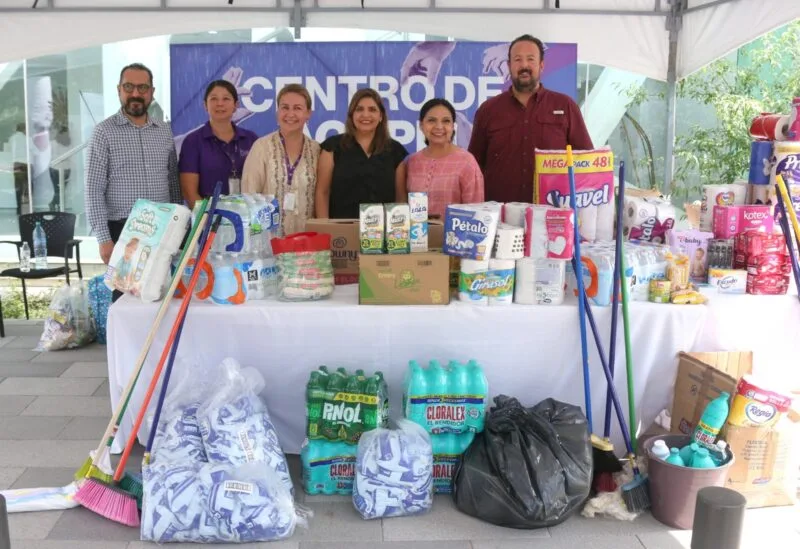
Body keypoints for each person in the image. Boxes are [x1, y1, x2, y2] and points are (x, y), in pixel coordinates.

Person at [85, 62, 181, 301]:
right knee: (126, 299)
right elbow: (93, 190)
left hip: (163, 229)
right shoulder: (103, 132)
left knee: (161, 295)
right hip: (124, 232)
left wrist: (180, 224)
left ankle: (157, 340)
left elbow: (173, 182)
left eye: (142, 87)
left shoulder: (164, 131)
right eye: (129, 87)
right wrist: (104, 240)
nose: (136, 94)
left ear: (152, 92)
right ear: (119, 90)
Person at [468, 34, 594, 204]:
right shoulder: (488, 110)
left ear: (541, 65)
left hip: (552, 213)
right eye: (518, 59)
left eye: (530, 59)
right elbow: (473, 166)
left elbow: (585, 160)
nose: (524, 65)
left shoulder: (565, 106)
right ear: (509, 65)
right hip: (499, 215)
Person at [315, 88, 408, 219]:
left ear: (381, 116)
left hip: (383, 234)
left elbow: (400, 199)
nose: (365, 115)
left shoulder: (395, 150)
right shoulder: (332, 147)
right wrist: (325, 230)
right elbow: (322, 192)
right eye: (359, 109)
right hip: (341, 232)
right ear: (351, 115)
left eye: (372, 109)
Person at [242, 84, 320, 235]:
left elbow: (322, 197)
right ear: (277, 112)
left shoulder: (316, 151)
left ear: (308, 114)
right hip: (269, 246)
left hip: (306, 246)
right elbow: (249, 197)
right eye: (285, 107)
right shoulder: (261, 147)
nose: (290, 114)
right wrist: (257, 242)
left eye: (297, 108)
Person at [178, 80, 258, 209]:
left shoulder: (251, 139)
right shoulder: (193, 142)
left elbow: (261, 185)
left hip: (246, 218)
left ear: (236, 105)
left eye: (226, 99)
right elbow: (189, 192)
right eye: (214, 99)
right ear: (205, 105)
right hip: (209, 221)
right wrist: (209, 220)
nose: (220, 104)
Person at [405, 98, 484, 218]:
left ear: (453, 126)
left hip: (455, 236)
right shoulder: (412, 162)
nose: (439, 126)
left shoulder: (466, 162)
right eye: (431, 120)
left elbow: (476, 213)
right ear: (421, 125)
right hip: (416, 235)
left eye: (446, 121)